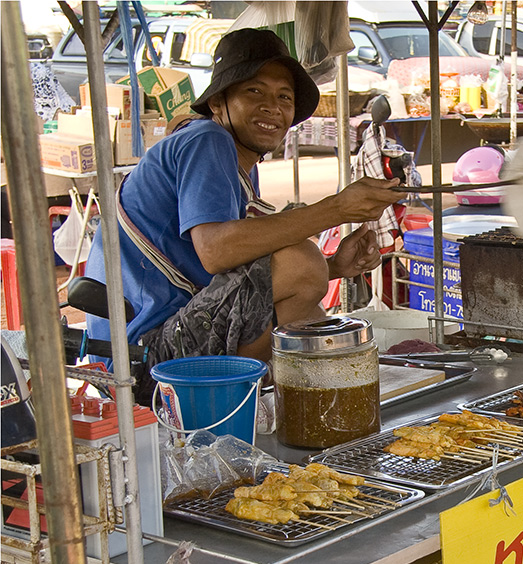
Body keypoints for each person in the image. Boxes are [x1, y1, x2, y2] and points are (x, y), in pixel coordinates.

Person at [84, 29, 401, 404]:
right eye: (255, 92)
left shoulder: (237, 162)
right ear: (219, 102)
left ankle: (307, 401)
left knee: (311, 284)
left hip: (165, 341)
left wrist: (332, 267)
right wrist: (336, 208)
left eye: (284, 97)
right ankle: (257, 401)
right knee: (301, 260)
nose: (273, 107)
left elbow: (244, 275)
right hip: (143, 360)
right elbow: (217, 252)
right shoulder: (208, 141)